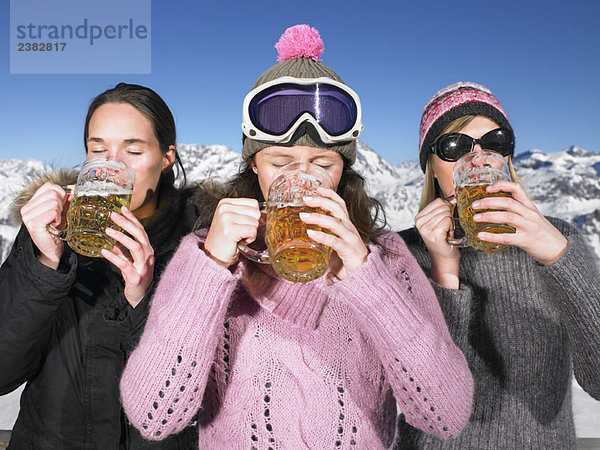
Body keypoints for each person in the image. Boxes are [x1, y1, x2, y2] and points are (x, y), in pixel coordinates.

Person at [119, 25, 473, 449]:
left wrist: (366, 278)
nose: (302, 178)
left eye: (322, 164)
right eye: (281, 161)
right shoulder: (205, 255)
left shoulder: (388, 258)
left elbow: (446, 414)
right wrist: (211, 269)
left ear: (344, 170)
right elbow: (154, 416)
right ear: (254, 166)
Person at [0, 83, 219, 448]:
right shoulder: (52, 232)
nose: (110, 167)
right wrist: (45, 265)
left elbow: (208, 392)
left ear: (167, 158)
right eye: (97, 149)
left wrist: (144, 301)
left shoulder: (201, 241)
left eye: (133, 150)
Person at [395, 81, 600, 449]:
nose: (478, 159)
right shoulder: (404, 252)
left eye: (495, 142)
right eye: (455, 146)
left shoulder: (561, 238)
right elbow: (426, 399)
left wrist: (556, 254)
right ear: (432, 168)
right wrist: (444, 270)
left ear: (507, 158)